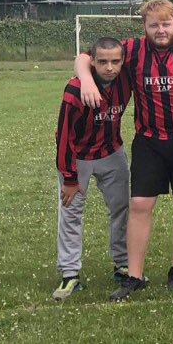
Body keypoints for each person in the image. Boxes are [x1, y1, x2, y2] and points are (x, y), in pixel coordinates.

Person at [74, 0, 173, 300]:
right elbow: (85, 56)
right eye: (153, 24)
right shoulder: (131, 50)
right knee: (140, 205)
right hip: (149, 139)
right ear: (144, 27)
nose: (160, 30)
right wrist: (86, 81)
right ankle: (134, 275)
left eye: (166, 24)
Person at [52, 38, 131, 300]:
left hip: (112, 152)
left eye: (115, 61)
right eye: (102, 62)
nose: (109, 67)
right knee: (70, 212)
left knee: (121, 208)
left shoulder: (125, 79)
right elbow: (64, 136)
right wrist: (70, 177)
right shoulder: (76, 89)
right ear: (92, 61)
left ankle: (122, 264)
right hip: (79, 157)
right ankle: (70, 274)